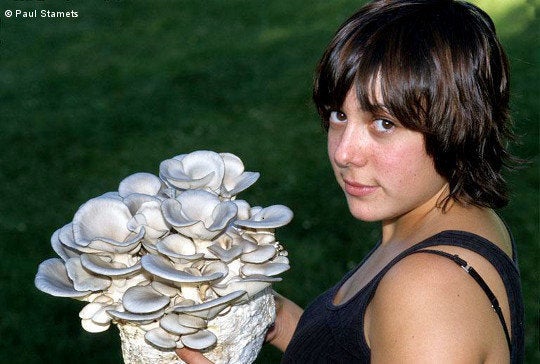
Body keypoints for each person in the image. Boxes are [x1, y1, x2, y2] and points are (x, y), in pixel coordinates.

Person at [177, 0, 525, 362]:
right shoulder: (451, 217)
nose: (344, 153)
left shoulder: (430, 288)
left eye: (384, 123)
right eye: (339, 114)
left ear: (459, 124)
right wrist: (276, 318)